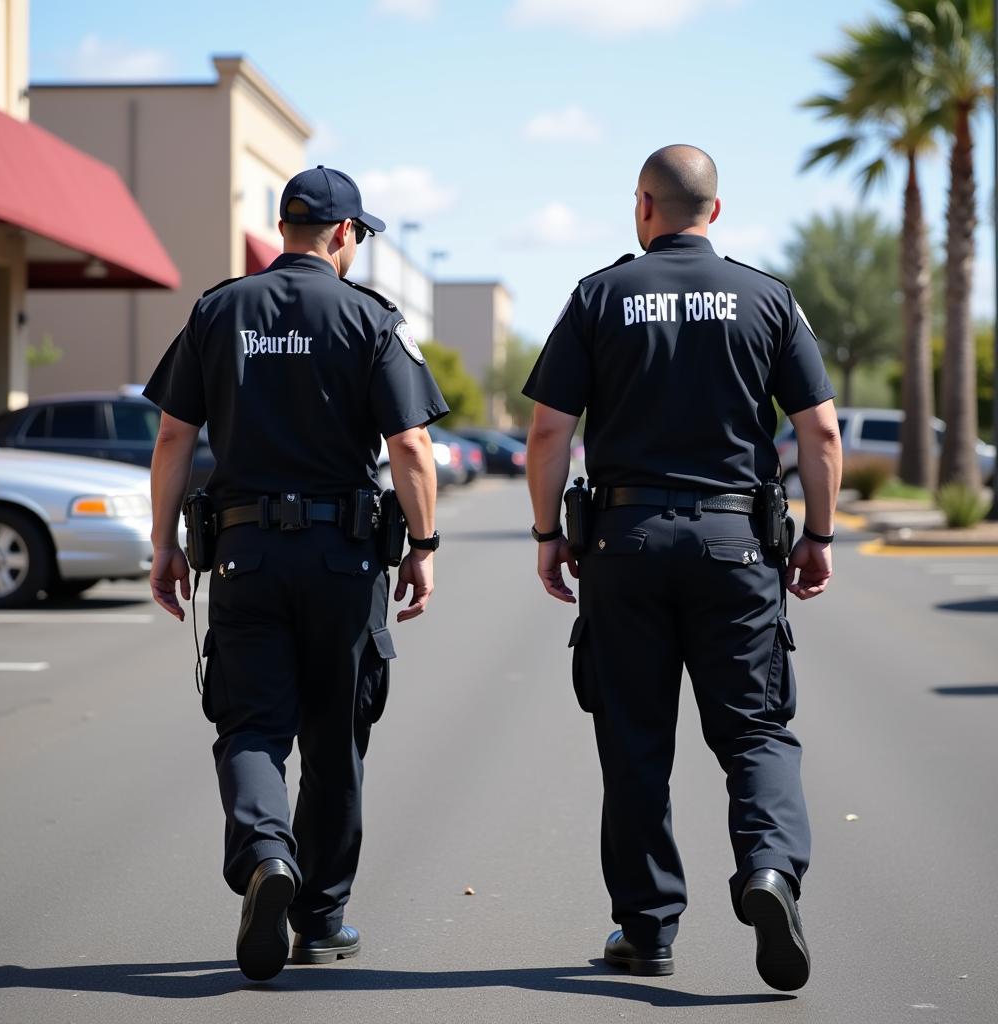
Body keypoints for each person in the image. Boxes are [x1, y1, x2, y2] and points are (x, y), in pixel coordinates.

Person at [523, 145, 841, 992]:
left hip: (624, 545)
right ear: (716, 211)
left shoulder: (598, 295)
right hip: (737, 547)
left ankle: (648, 929)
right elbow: (820, 432)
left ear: (643, 207)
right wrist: (820, 535)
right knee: (756, 732)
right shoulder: (768, 298)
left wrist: (548, 533)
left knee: (634, 744)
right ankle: (769, 872)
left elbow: (550, 431)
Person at [144, 166, 448, 981]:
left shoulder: (218, 310)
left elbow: (174, 438)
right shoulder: (368, 317)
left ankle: (264, 856)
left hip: (244, 556)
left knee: (250, 728)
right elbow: (411, 446)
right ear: (345, 235)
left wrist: (164, 543)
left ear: (286, 228)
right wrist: (422, 547)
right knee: (334, 743)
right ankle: (319, 921)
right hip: (342, 560)